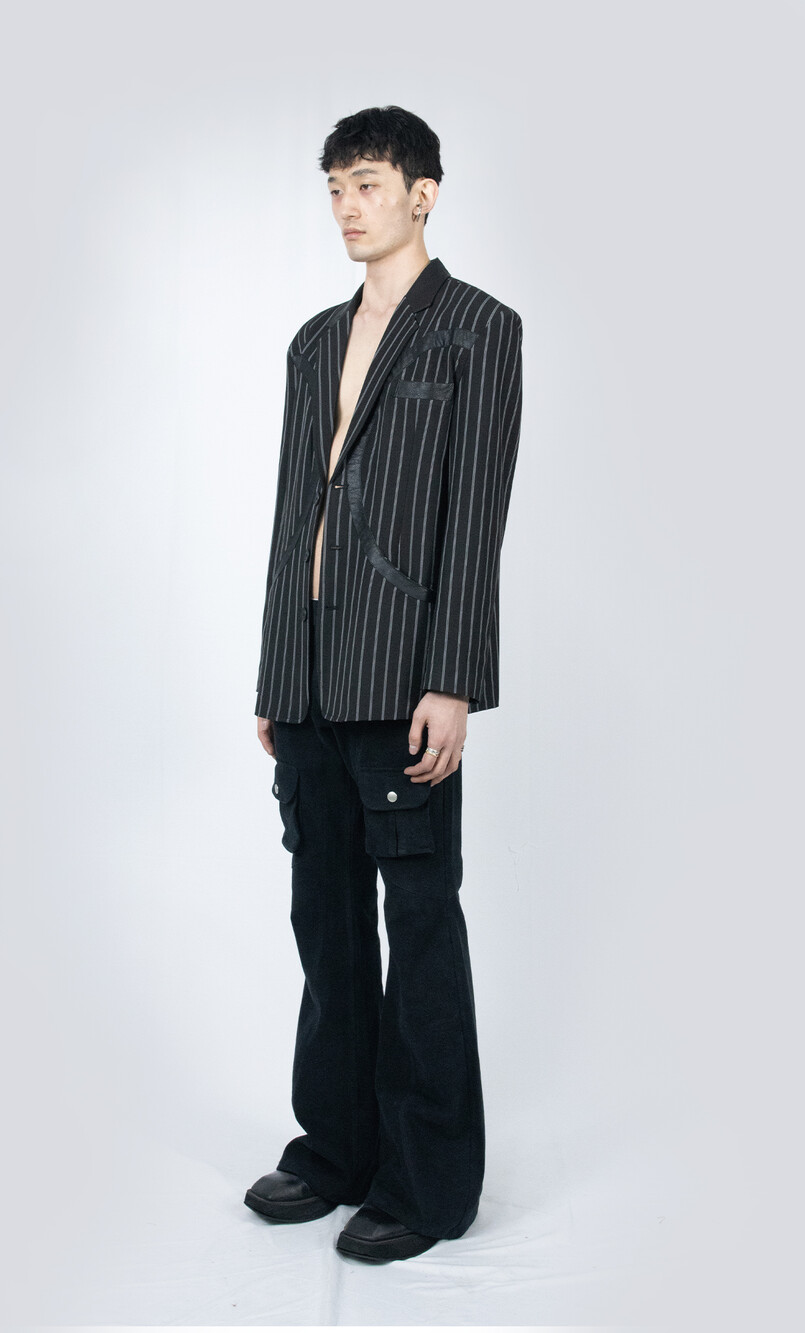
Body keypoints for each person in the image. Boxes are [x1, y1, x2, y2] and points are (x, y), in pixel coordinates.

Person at [246, 105, 523, 1263]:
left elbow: (475, 518)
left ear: (423, 193)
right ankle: (336, 1150)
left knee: (418, 925)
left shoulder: (478, 329)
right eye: (334, 188)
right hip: (310, 678)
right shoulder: (314, 341)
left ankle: (426, 1183)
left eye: (366, 183)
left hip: (405, 677)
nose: (347, 206)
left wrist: (452, 680)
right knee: (324, 923)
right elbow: (291, 516)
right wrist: (275, 672)